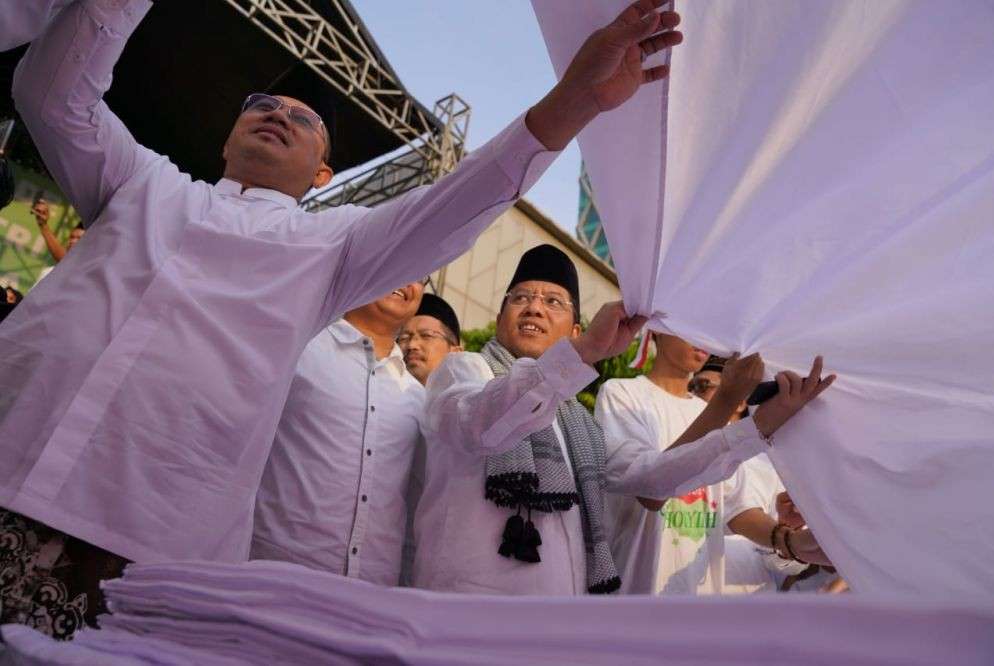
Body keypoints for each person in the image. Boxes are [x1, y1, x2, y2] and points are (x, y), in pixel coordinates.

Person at [0, 0, 686, 636]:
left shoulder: (328, 248)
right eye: (262, 106)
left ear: (324, 173)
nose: (279, 115)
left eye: (303, 121)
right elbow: (50, 94)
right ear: (225, 140)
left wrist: (576, 102)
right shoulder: (137, 181)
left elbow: (456, 203)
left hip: (152, 544)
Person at [412, 244, 835, 595]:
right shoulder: (466, 372)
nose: (534, 309)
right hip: (471, 614)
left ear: (575, 328)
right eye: (520, 298)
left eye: (552, 302)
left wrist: (759, 428)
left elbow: (652, 478)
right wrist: (582, 356)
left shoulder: (580, 426)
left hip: (556, 626)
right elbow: (477, 423)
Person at [252, 282, 425, 586]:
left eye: (421, 273)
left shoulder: (417, 396)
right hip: (274, 578)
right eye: (405, 260)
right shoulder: (300, 347)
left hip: (371, 595)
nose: (407, 279)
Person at [596, 335, 760, 594]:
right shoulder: (622, 394)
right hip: (636, 591)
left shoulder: (708, 411)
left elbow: (735, 506)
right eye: (689, 327)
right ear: (659, 330)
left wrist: (788, 540)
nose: (703, 338)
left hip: (698, 600)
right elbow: (651, 490)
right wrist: (726, 400)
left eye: (709, 330)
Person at [398, 293, 463, 385]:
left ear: (455, 353)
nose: (412, 345)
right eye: (404, 338)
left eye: (426, 335)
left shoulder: (469, 397)